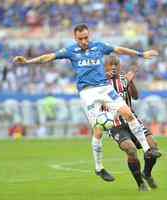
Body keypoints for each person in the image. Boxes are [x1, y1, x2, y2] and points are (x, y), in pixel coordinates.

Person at [13, 24, 158, 167]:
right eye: (80, 39)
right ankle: (99, 167)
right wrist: (27, 61)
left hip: (104, 88)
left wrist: (141, 54)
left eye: (86, 38)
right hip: (87, 93)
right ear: (75, 38)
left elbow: (119, 49)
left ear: (89, 35)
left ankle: (146, 150)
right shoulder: (71, 51)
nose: (84, 41)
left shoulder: (99, 46)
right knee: (98, 130)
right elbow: (49, 57)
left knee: (129, 114)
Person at [92, 55, 161, 191]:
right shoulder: (98, 83)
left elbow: (135, 96)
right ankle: (140, 183)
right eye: (110, 64)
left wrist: (130, 82)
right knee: (131, 149)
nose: (113, 67)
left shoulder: (124, 79)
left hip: (132, 120)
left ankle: (146, 173)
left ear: (120, 66)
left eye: (116, 64)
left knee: (153, 146)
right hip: (115, 124)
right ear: (104, 67)